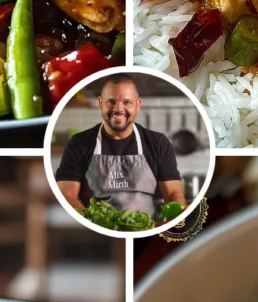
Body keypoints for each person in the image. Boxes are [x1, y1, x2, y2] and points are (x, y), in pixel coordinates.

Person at [55, 74, 186, 218]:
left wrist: (175, 220)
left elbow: (174, 194)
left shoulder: (158, 142)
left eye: (127, 102)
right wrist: (92, 222)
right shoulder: (79, 143)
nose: (118, 109)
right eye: (111, 101)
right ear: (100, 103)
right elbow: (66, 195)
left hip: (146, 228)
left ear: (138, 105)